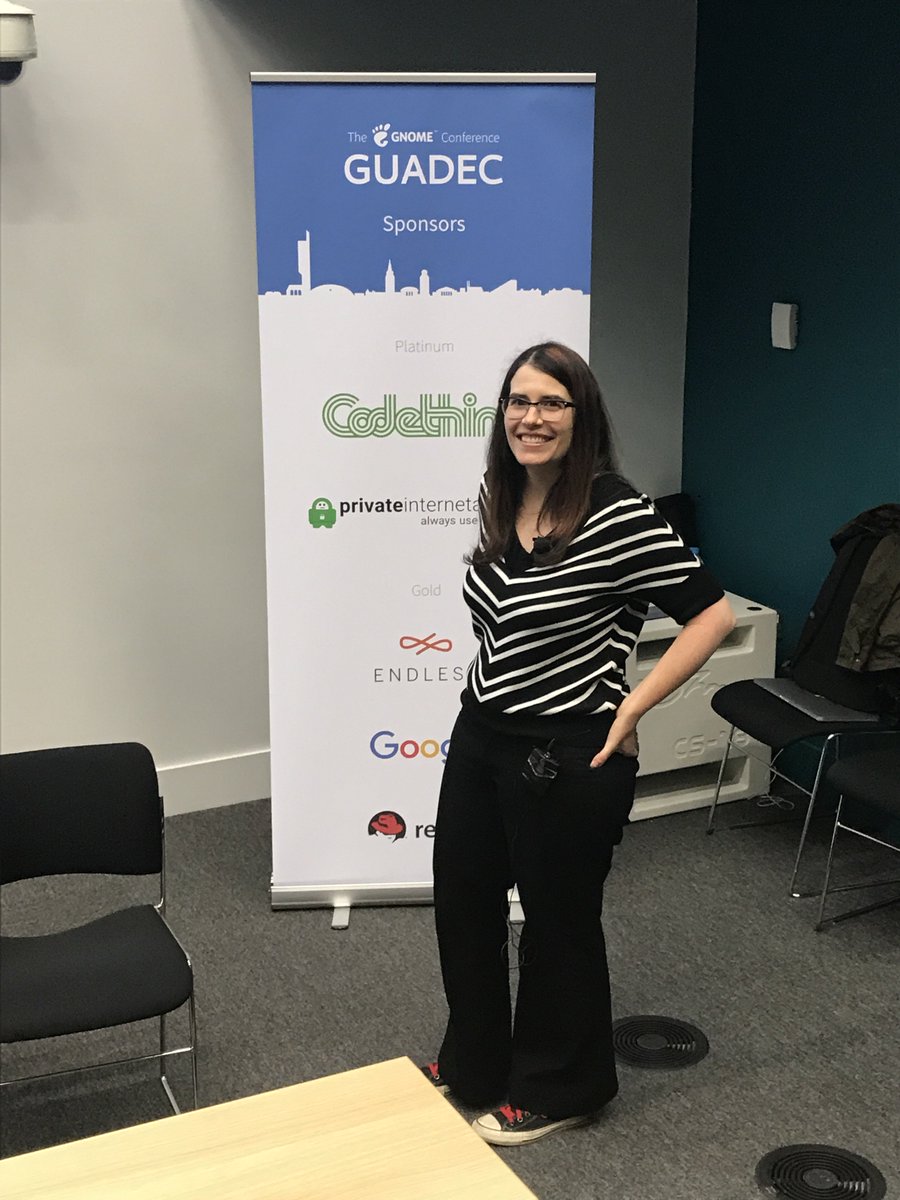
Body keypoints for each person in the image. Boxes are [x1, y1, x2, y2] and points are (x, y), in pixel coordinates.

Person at [422, 342, 735, 1146]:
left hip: (567, 751)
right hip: (482, 733)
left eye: (551, 403)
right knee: (463, 903)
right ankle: (475, 1061)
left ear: (580, 415)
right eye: (519, 401)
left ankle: (562, 1086)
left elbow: (712, 613)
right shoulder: (501, 492)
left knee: (558, 923)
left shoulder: (616, 512)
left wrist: (633, 707)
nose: (532, 418)